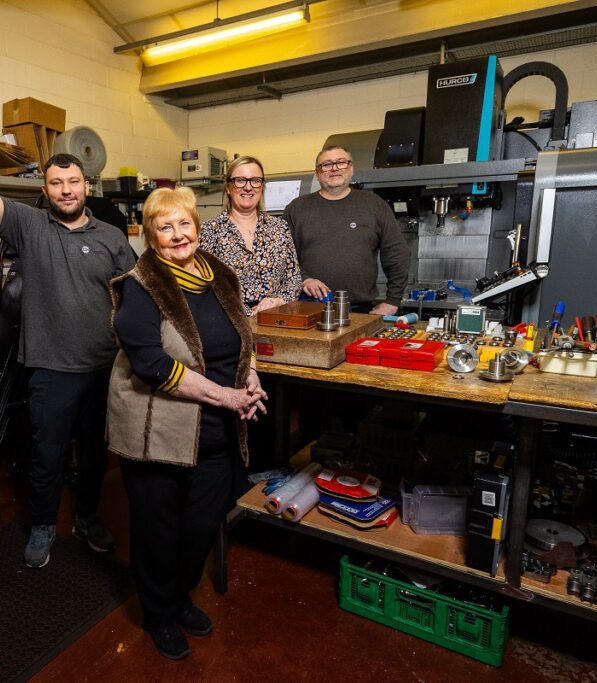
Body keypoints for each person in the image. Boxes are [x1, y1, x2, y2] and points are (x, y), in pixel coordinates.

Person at [0, 127, 136, 569]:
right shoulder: (28, 226)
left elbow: (133, 297)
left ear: (87, 185)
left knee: (94, 455)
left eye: (73, 182)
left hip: (104, 367)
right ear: (46, 187)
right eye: (56, 183)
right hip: (50, 368)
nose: (66, 191)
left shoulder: (112, 237)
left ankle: (87, 519)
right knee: (47, 455)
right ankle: (43, 526)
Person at [108, 186, 267, 660]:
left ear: (197, 227)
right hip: (158, 431)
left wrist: (251, 378)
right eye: (165, 226)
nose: (177, 235)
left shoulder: (220, 273)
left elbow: (244, 332)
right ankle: (158, 613)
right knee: (158, 530)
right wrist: (229, 396)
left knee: (200, 525)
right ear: (151, 236)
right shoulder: (141, 285)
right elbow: (152, 366)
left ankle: (179, 598)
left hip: (216, 430)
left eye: (184, 224)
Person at [284, 145, 410, 315]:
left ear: (351, 168)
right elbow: (283, 256)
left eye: (341, 162)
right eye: (327, 164)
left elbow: (396, 253)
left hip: (360, 310)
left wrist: (393, 301)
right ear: (317, 172)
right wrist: (304, 279)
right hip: (308, 308)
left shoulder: (374, 205)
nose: (334, 168)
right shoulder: (297, 208)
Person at [199, 156, 302, 315]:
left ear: (262, 186)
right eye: (240, 180)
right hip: (229, 323)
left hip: (275, 320)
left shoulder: (279, 228)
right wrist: (246, 313)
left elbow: (293, 279)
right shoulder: (209, 231)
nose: (248, 187)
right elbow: (203, 286)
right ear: (228, 187)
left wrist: (278, 301)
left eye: (255, 180)